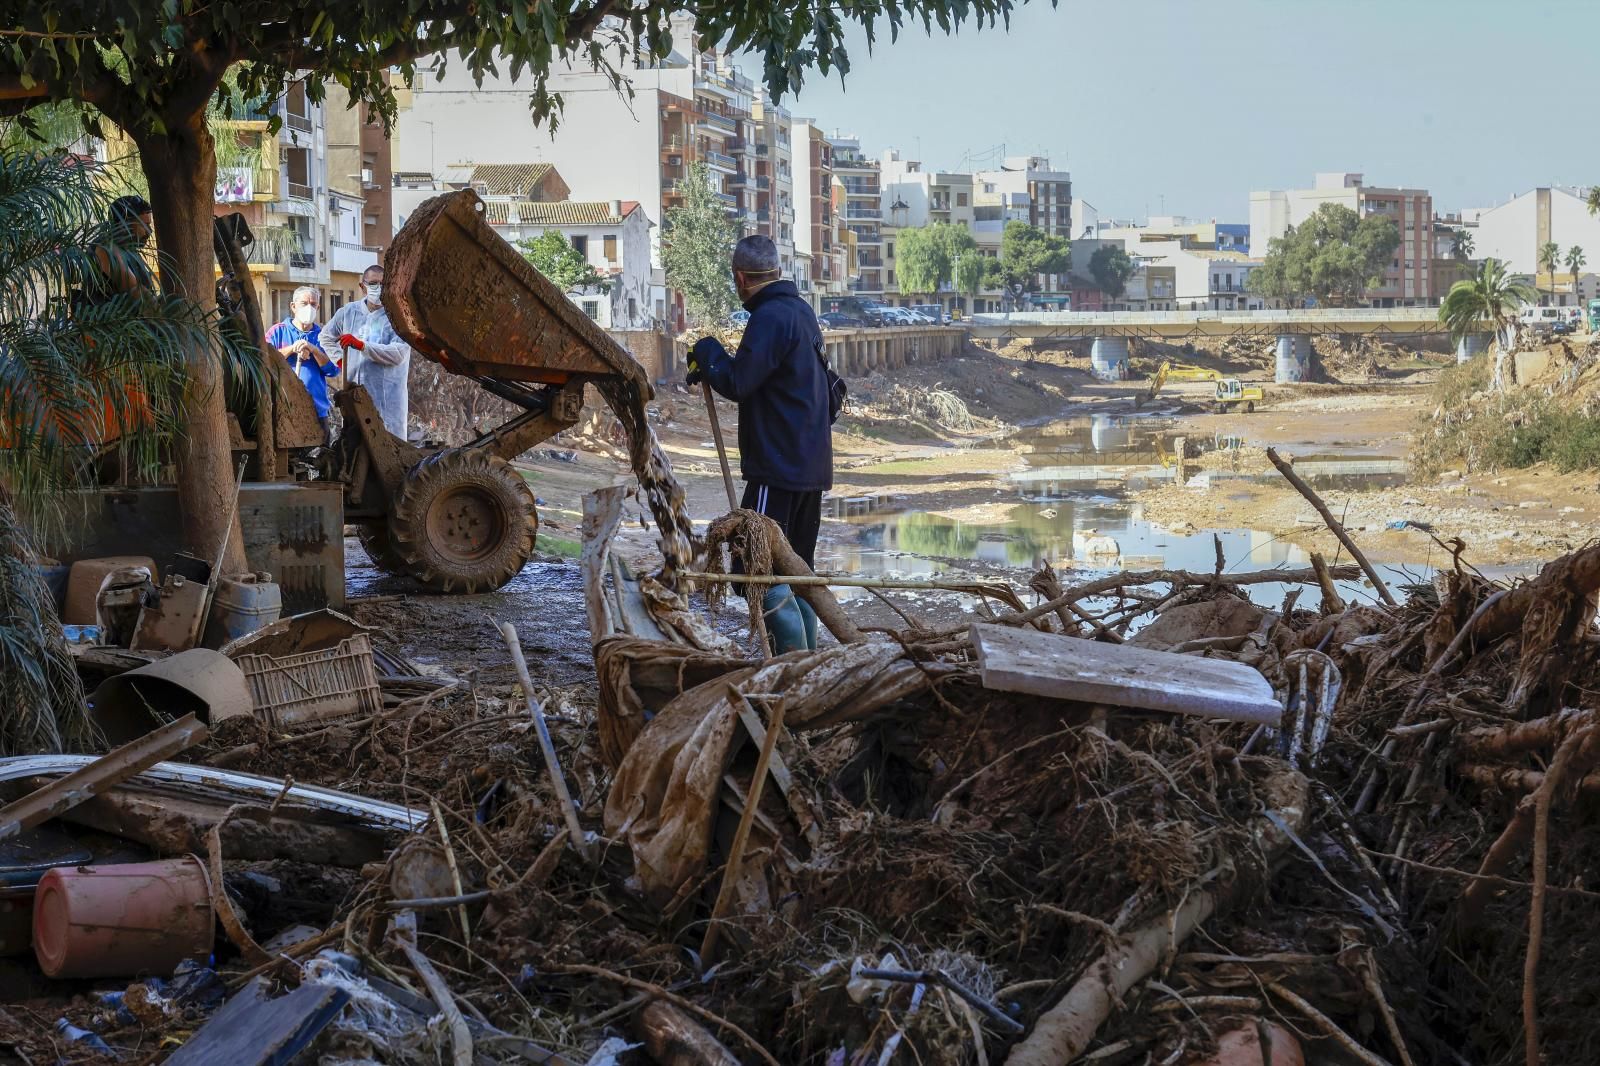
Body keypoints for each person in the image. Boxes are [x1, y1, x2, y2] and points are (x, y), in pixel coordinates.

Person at [687, 235, 838, 654]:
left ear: (740, 277)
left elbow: (739, 381)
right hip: (811, 469)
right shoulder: (801, 312)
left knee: (756, 569)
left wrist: (707, 349)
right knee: (798, 572)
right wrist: (712, 364)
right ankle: (809, 667)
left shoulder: (769, 317)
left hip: (778, 469)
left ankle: (790, 669)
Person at [321, 264, 412, 439]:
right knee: (355, 446)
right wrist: (341, 361)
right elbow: (325, 337)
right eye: (373, 284)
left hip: (387, 398)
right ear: (362, 286)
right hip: (355, 395)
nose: (378, 289)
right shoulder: (348, 312)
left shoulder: (397, 316)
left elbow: (398, 354)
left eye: (382, 284)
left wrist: (362, 346)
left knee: (388, 449)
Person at [266, 286, 340, 445]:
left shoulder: (324, 337)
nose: (309, 308)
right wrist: (292, 349)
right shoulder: (278, 332)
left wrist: (313, 350)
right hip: (283, 408)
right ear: (293, 306)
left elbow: (334, 369)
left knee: (320, 457)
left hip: (317, 410)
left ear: (318, 307)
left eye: (313, 304)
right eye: (304, 303)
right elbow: (264, 359)